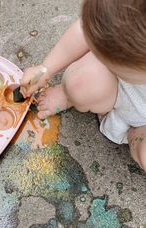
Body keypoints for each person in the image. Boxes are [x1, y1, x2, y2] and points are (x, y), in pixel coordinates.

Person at [20, 0, 146, 172]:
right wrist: (45, 69)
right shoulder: (116, 12)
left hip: (141, 123)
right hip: (117, 90)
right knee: (79, 83)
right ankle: (70, 95)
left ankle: (134, 135)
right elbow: (84, 31)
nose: (95, 52)